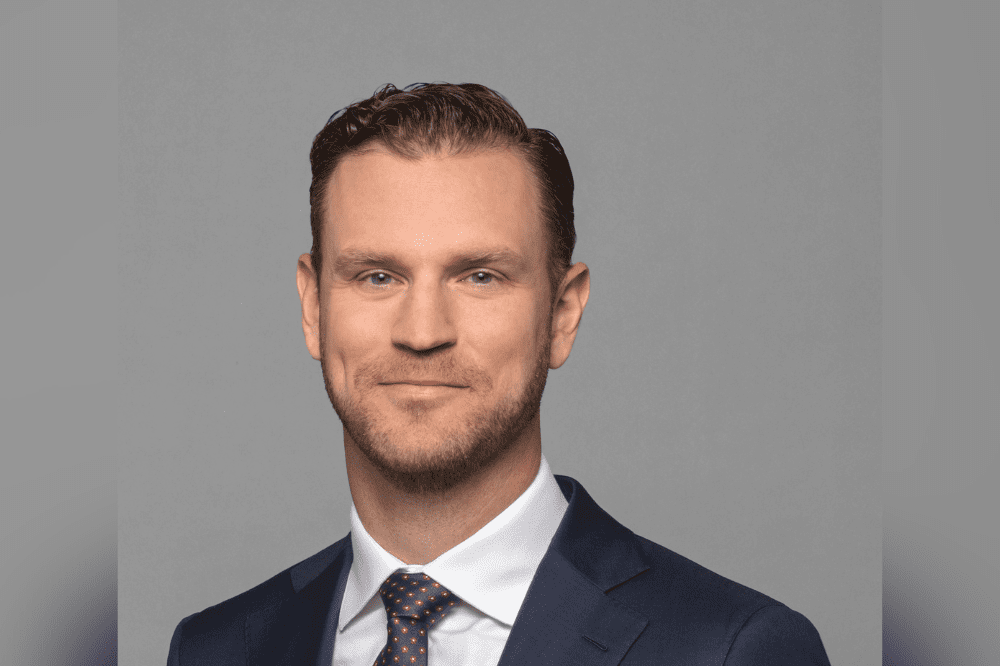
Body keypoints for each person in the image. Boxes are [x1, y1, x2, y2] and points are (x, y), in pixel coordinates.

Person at [167, 82, 831, 666]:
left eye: (479, 276)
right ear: (314, 308)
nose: (422, 332)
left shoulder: (732, 650)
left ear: (562, 314)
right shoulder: (217, 650)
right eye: (377, 276)